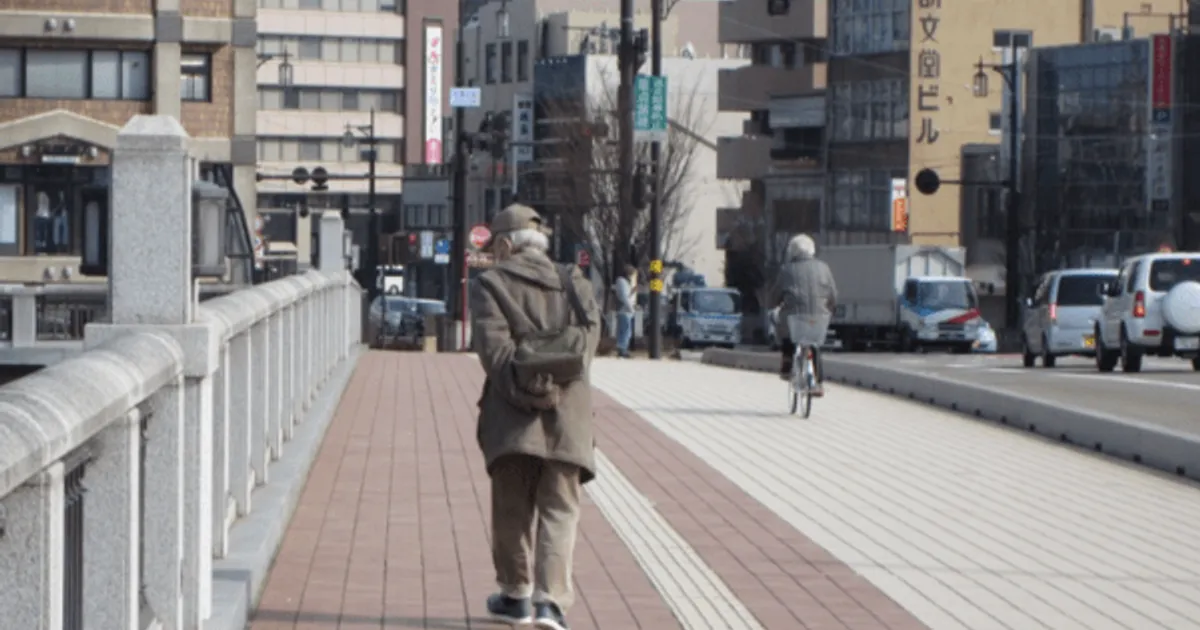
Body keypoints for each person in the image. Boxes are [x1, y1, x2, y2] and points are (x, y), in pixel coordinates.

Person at [470, 203, 601, 630]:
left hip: (512, 419)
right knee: (561, 510)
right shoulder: (574, 282)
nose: (491, 255)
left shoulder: (490, 284)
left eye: (494, 247)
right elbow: (587, 344)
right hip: (571, 417)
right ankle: (550, 603)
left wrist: (529, 388)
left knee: (511, 509)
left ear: (506, 244)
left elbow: (496, 354)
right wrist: (556, 385)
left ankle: (515, 596)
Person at [772, 233, 837, 396]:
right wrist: (829, 308)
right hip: (819, 317)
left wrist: (774, 304)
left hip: (794, 318)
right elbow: (833, 295)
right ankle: (818, 382)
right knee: (814, 343)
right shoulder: (824, 268)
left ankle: (787, 364)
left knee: (785, 327)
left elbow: (774, 296)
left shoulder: (786, 270)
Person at [612, 264, 637, 358]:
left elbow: (626, 295)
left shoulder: (626, 282)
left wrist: (632, 291)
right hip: (624, 310)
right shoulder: (621, 281)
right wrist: (631, 308)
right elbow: (624, 297)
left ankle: (623, 348)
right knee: (625, 330)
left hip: (627, 310)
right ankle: (622, 349)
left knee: (627, 330)